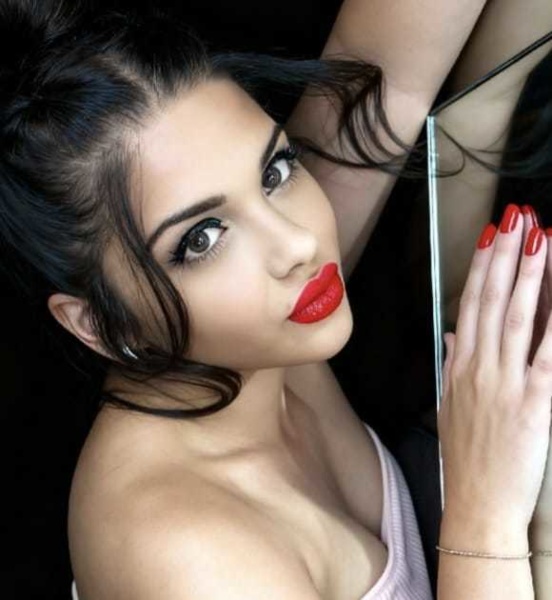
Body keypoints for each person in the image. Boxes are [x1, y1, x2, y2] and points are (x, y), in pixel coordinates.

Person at [2, 0, 551, 598]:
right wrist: (485, 515)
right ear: (97, 323)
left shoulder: (255, 338)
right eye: (202, 238)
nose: (299, 243)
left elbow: (395, 79)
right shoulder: (183, 557)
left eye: (275, 171)